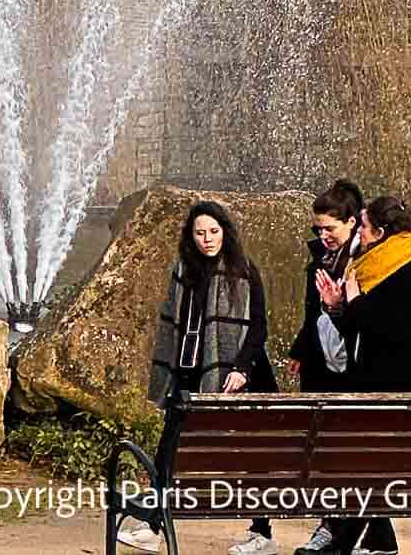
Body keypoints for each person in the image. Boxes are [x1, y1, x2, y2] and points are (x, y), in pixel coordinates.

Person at [120, 200, 278, 555]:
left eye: (214, 232)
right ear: (191, 237)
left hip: (235, 377)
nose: (208, 239)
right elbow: (173, 327)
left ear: (226, 231)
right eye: (200, 233)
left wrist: (240, 368)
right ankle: (152, 526)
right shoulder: (183, 271)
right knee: (168, 450)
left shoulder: (244, 270)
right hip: (189, 373)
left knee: (251, 455)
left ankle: (262, 533)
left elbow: (258, 328)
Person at [319, 197, 411, 555]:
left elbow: (391, 332)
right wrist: (340, 307)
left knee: (376, 471)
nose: (359, 234)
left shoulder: (401, 272)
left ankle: (346, 543)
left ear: (381, 233)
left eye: (363, 227)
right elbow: (365, 328)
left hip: (398, 396)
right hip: (403, 395)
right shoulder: (386, 266)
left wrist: (352, 302)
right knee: (395, 474)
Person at [289, 181, 365, 555]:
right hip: (320, 362)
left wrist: (338, 307)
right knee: (325, 449)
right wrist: (301, 349)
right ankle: (369, 535)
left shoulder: (364, 260)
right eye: (318, 229)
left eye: (330, 228)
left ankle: (335, 529)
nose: (323, 235)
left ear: (352, 222)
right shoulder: (320, 257)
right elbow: (311, 310)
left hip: (351, 368)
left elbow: (361, 318)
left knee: (341, 453)